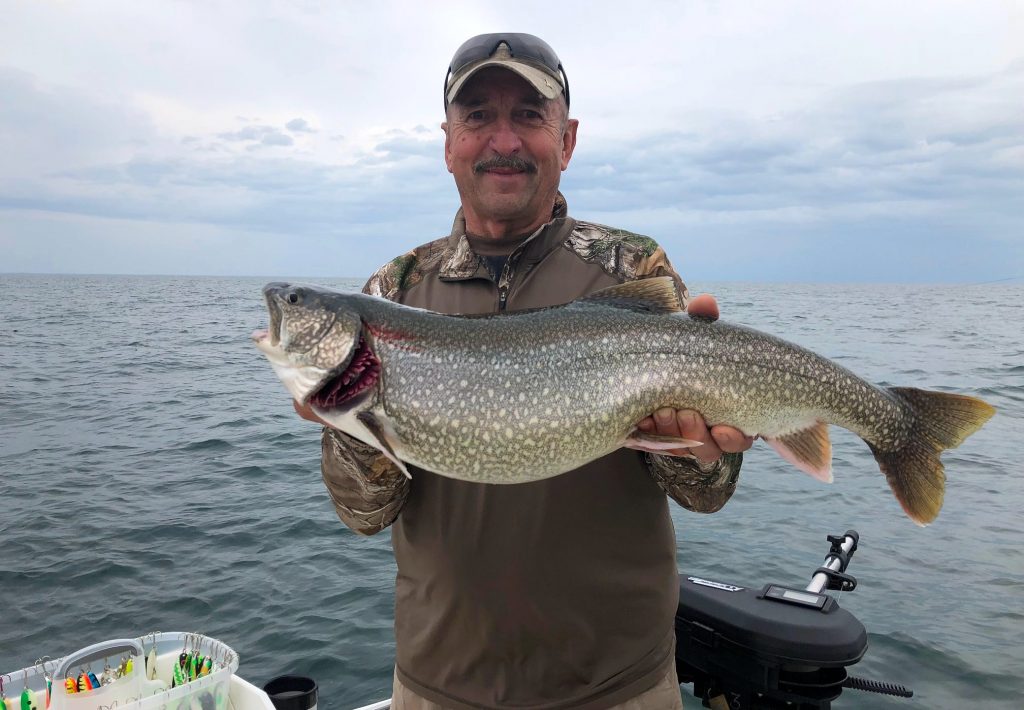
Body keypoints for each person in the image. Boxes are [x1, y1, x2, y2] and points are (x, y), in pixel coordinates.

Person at [295, 33, 754, 710]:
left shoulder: (634, 270)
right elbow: (365, 515)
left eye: (529, 116)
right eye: (478, 116)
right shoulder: (391, 293)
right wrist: (349, 424)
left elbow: (705, 494)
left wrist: (698, 447)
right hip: (438, 685)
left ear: (566, 141)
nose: (502, 140)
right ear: (449, 142)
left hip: (619, 687)